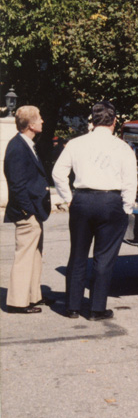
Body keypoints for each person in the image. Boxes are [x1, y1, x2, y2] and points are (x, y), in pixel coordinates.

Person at [52, 101, 137, 321]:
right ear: (114, 121)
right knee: (104, 257)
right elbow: (130, 182)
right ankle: (97, 308)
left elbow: (58, 173)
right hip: (110, 201)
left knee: (78, 254)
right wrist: (126, 207)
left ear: (93, 120)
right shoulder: (122, 147)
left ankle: (72, 306)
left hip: (82, 199)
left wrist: (69, 198)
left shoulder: (76, 143)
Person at [3, 106, 51, 314]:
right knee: (25, 255)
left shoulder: (25, 144)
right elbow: (16, 185)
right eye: (39, 119)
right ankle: (17, 301)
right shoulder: (17, 147)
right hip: (27, 212)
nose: (42, 121)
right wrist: (28, 212)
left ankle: (32, 295)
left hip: (33, 211)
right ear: (31, 125)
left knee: (34, 254)